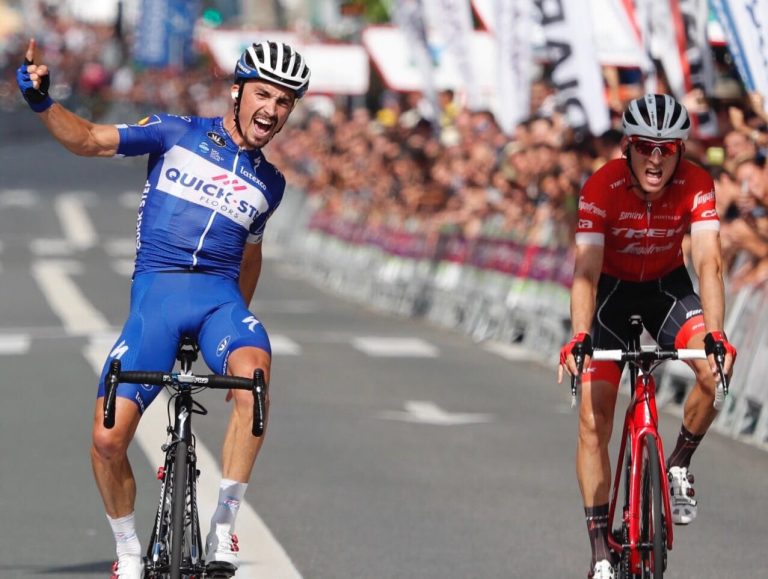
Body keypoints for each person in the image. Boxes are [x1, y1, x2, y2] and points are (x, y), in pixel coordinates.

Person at [16, 37, 310, 578]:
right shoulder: (176, 133)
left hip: (220, 302)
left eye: (285, 101)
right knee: (107, 438)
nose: (272, 109)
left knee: (256, 377)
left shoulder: (271, 183)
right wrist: (41, 102)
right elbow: (87, 140)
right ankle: (128, 548)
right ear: (239, 92)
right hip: (158, 296)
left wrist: (229, 343)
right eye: (264, 94)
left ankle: (224, 526)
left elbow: (251, 256)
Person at [557, 94, 737, 579]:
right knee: (595, 421)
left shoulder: (698, 182)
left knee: (716, 370)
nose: (656, 159)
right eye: (645, 147)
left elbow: (708, 261)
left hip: (665, 289)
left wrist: (716, 334)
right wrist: (579, 335)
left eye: (668, 148)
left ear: (681, 151)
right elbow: (586, 271)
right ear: (627, 148)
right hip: (612, 296)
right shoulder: (602, 186)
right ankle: (599, 549)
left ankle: (678, 461)